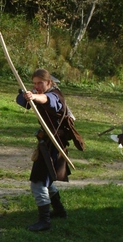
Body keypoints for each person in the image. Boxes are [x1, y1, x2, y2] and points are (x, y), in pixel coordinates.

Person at [16, 68, 76, 232]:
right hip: (48, 143)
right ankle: (59, 211)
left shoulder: (55, 95)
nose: (37, 86)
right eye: (34, 83)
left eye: (40, 83)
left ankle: (44, 221)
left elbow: (46, 99)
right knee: (46, 179)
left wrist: (34, 96)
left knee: (38, 182)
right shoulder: (41, 93)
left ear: (49, 83)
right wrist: (26, 94)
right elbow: (21, 101)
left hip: (54, 146)